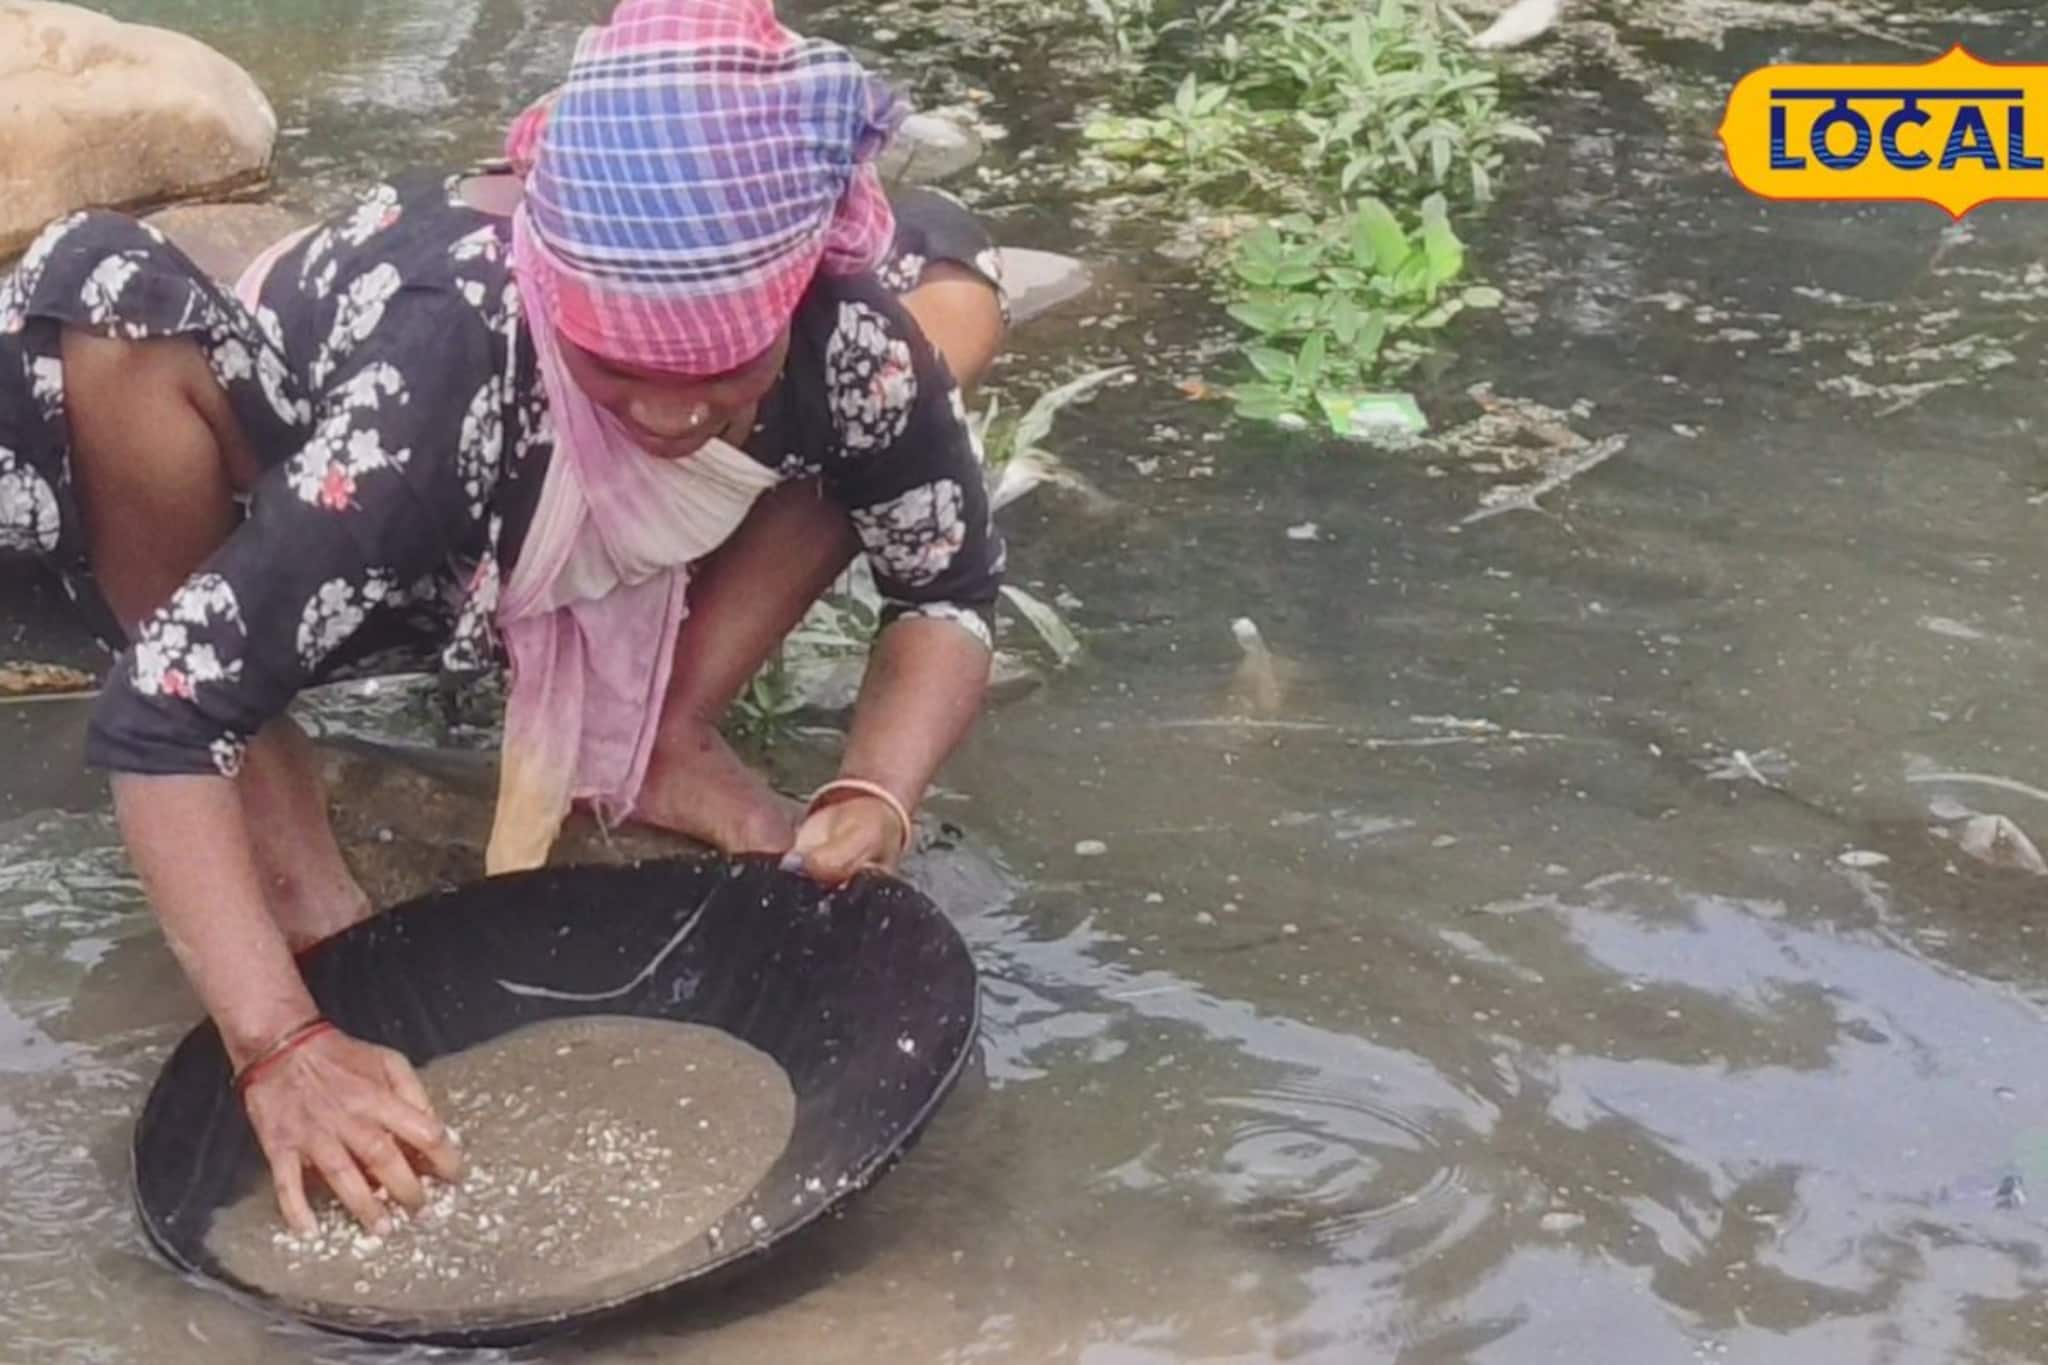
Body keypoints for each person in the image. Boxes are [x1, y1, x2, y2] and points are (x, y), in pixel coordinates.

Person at [0, 0, 1008, 1237]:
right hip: (323, 481)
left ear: (792, 295)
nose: (670, 414)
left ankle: (660, 734)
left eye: (718, 373)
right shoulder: (432, 396)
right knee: (112, 307)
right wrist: (279, 1043)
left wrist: (877, 787)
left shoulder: (841, 341)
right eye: (619, 369)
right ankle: (313, 891)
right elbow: (164, 714)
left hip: (558, 505)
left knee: (954, 288)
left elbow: (946, 590)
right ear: (560, 298)